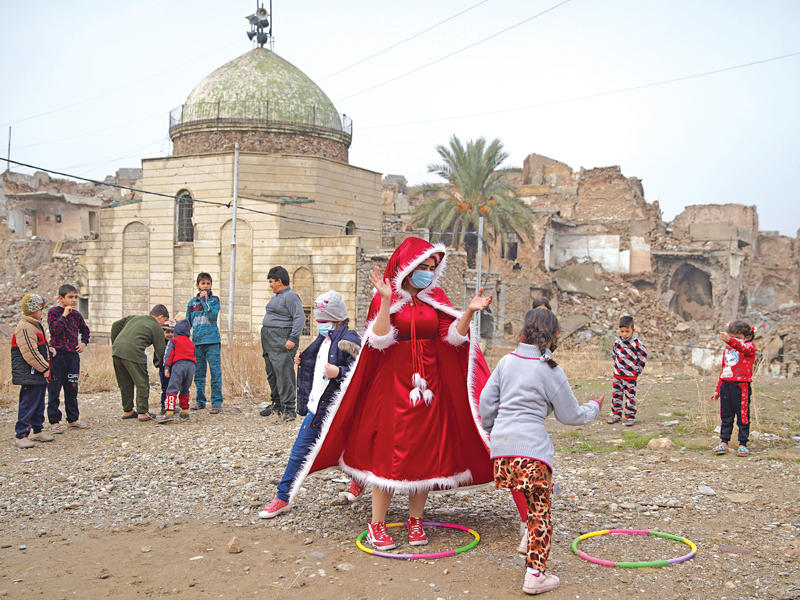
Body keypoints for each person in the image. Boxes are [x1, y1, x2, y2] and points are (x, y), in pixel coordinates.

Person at [286, 237, 494, 551]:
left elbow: (452, 338)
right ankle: (377, 524)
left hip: (429, 389)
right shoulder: (386, 297)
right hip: (393, 389)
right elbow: (379, 340)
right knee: (387, 455)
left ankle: (415, 520)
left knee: (425, 455)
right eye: (421, 266)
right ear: (407, 267)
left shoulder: (434, 297)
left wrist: (468, 313)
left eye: (430, 267)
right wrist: (385, 301)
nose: (426, 272)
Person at [479, 308, 602, 595]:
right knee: (540, 512)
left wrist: (491, 427)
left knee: (527, 494)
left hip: (501, 452)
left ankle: (527, 541)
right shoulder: (550, 370)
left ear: (524, 331)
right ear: (555, 335)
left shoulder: (506, 362)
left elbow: (486, 402)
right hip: (532, 453)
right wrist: (594, 406)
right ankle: (535, 575)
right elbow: (570, 415)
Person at [259, 290, 362, 518]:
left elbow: (361, 374)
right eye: (317, 321)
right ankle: (284, 496)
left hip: (335, 409)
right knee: (326, 451)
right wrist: (304, 361)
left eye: (323, 321)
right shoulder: (324, 338)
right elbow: (316, 362)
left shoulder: (349, 340)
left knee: (307, 453)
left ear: (337, 319)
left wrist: (339, 372)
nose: (319, 325)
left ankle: (282, 497)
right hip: (319, 407)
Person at [259, 266, 305, 421]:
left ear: (279, 281)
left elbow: (299, 318)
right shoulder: (277, 296)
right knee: (272, 373)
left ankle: (289, 409)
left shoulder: (291, 296)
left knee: (284, 373)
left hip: (282, 339)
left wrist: (292, 338)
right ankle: (277, 404)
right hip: (269, 340)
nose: (270, 285)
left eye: (272, 281)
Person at [111, 305, 169, 422]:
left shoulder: (134, 318)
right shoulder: (156, 326)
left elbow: (115, 325)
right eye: (165, 320)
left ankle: (128, 411)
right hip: (134, 352)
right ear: (160, 317)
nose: (164, 324)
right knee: (142, 382)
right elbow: (161, 351)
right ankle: (142, 412)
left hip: (117, 350)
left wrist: (116, 342)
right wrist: (165, 366)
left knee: (125, 382)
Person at [12, 294, 55, 448]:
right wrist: (44, 368)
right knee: (28, 403)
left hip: (36, 372)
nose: (42, 312)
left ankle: (37, 430)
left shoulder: (34, 325)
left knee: (38, 403)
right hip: (30, 372)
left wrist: (49, 350)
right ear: (33, 310)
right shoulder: (25, 327)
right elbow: (29, 352)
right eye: (40, 309)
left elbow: (38, 346)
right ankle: (21, 434)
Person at [46, 284, 91, 432]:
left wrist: (83, 342)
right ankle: (54, 421)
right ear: (61, 299)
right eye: (70, 297)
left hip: (72, 356)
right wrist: (64, 315)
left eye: (75, 297)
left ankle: (73, 419)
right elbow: (54, 331)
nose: (74, 300)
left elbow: (85, 330)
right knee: (54, 389)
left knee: (72, 388)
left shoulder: (77, 315)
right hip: (57, 356)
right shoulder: (54, 313)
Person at [710, 320, 756, 457]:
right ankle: (724, 442)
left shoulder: (749, 347)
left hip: (741, 386)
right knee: (726, 416)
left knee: (743, 416)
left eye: (738, 337)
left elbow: (742, 348)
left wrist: (730, 340)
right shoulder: (728, 351)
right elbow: (724, 370)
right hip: (726, 386)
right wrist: (718, 389)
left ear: (747, 337)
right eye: (733, 336)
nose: (735, 340)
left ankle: (742, 443)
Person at [186, 273, 223, 414]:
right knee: (199, 373)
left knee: (215, 372)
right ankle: (200, 401)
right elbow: (187, 322)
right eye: (203, 284)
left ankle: (216, 402)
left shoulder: (214, 300)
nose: (205, 286)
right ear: (197, 285)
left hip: (212, 341)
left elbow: (212, 316)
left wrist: (205, 300)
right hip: (197, 342)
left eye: (208, 283)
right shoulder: (192, 303)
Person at [607, 315, 647, 426]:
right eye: (622, 331)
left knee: (630, 397)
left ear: (633, 330)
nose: (624, 334)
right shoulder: (617, 343)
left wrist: (637, 371)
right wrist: (618, 368)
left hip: (630, 377)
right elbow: (614, 355)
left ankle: (630, 417)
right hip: (618, 375)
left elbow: (643, 357)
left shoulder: (637, 344)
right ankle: (616, 415)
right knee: (616, 396)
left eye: (627, 331)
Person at [158, 320, 196, 424]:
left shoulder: (174, 341)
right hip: (191, 367)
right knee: (185, 389)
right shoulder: (191, 343)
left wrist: (166, 367)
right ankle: (185, 411)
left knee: (172, 388)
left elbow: (169, 354)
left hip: (179, 365)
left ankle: (169, 412)